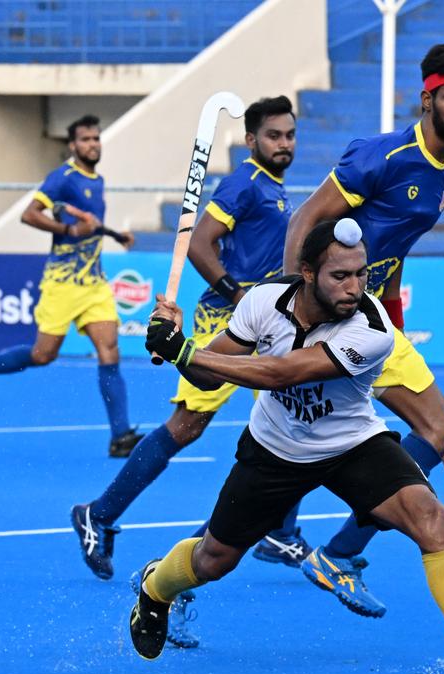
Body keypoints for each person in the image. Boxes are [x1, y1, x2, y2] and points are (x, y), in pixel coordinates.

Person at [129, 218, 444, 674]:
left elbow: (281, 374)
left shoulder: (370, 328)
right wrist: (182, 352)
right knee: (214, 560)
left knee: (432, 520)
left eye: (361, 274)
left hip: (351, 444)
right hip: (275, 450)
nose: (355, 287)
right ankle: (155, 589)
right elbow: (209, 378)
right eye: (341, 276)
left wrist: (186, 352)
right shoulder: (263, 302)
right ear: (307, 272)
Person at [69, 96, 302, 646]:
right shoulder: (243, 184)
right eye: (274, 136)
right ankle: (99, 516)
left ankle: (278, 531)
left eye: (290, 135)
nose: (285, 144)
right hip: (230, 320)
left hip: (262, 322)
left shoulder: (274, 187)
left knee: (290, 421)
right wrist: (236, 292)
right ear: (252, 141)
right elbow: (200, 244)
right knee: (191, 426)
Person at [272, 43, 444, 619]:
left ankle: (338, 554)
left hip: (373, 321)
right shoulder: (383, 156)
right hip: (324, 317)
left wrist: (393, 314)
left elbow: (396, 250)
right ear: (427, 99)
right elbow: (306, 219)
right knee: (283, 463)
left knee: (439, 429)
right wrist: (293, 309)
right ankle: (185, 574)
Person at [0, 115, 143, 458]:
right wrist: (68, 232)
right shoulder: (62, 178)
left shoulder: (97, 180)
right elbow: (30, 214)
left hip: (93, 281)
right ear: (72, 146)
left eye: (96, 139)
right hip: (63, 283)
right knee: (43, 355)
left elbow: (86, 222)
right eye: (85, 140)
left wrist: (115, 235)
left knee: (110, 350)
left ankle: (120, 435)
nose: (92, 144)